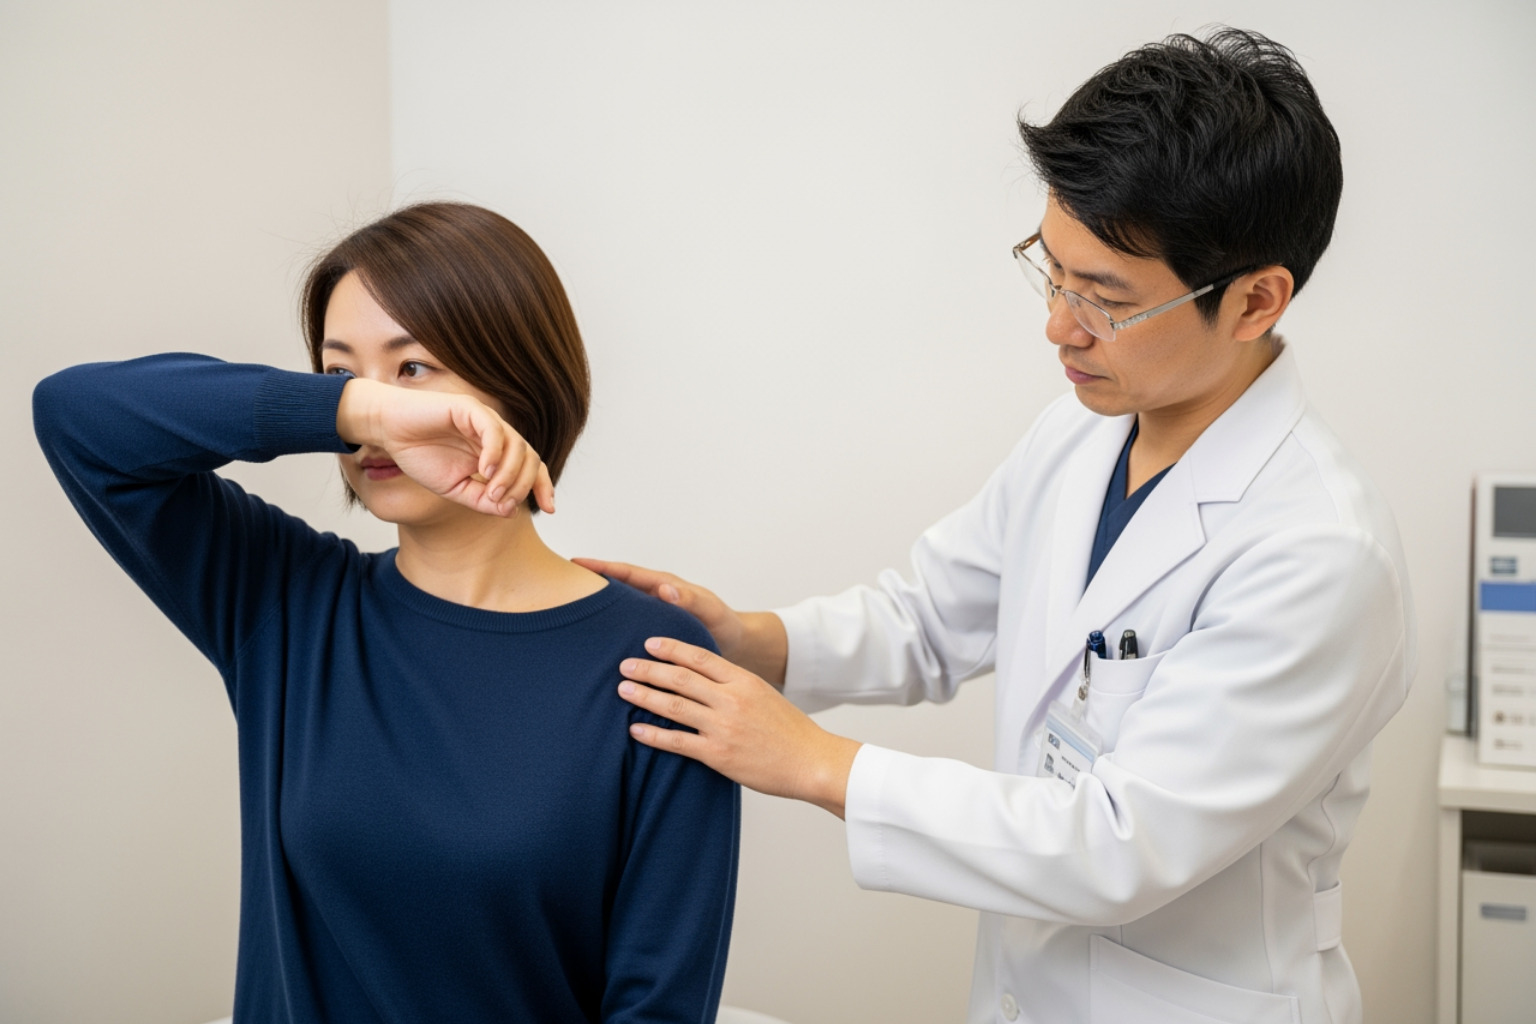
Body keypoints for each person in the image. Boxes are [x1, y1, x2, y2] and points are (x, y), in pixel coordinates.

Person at [580, 27, 1414, 1024]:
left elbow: (1117, 845)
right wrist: (754, 641)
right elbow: (932, 614)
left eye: (1105, 299)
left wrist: (814, 760)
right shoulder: (1084, 430)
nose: (1059, 326)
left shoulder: (1319, 552)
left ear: (1255, 300)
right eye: (1051, 271)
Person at [32, 202, 739, 1024]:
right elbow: (78, 415)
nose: (380, 411)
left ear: (517, 384)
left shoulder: (656, 660)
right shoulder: (285, 601)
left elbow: (657, 1005)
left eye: (414, 369)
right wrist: (358, 411)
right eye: (340, 375)